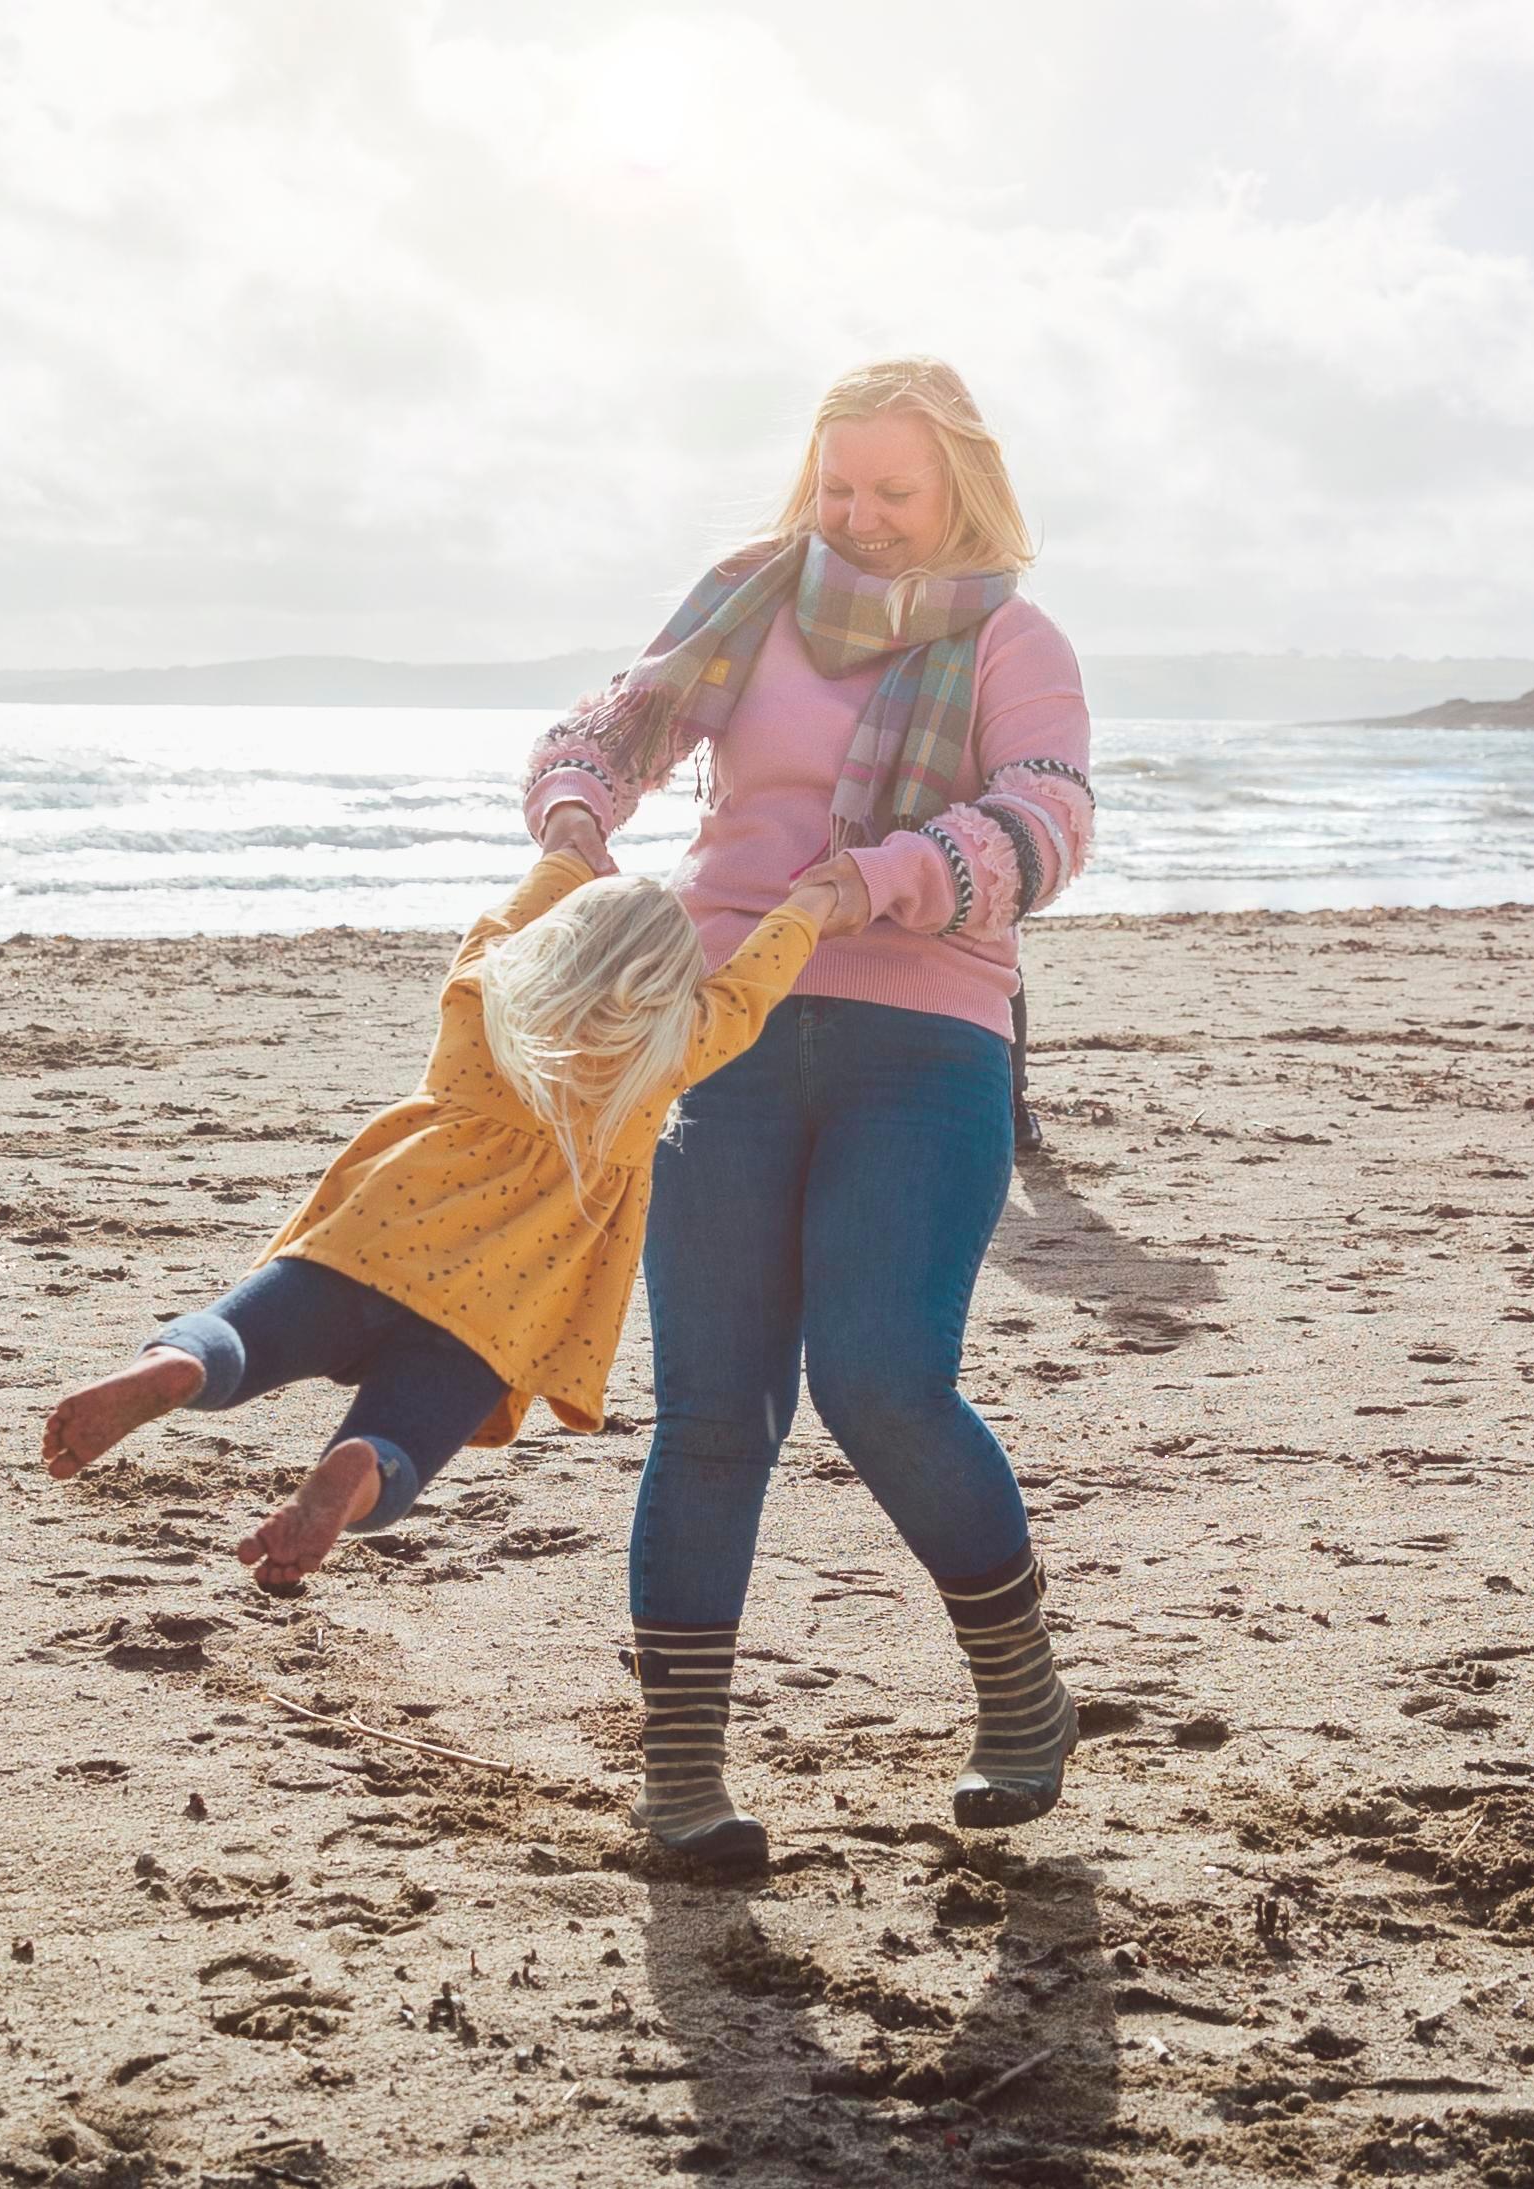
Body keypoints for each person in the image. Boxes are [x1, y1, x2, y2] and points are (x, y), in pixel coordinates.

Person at [522, 356, 1096, 1872]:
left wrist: (884, 873)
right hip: (722, 1031)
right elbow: (616, 725)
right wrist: (576, 807)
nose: (859, 516)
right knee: (714, 1410)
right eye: (839, 487)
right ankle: (683, 1785)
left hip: (928, 1043)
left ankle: (1024, 1697)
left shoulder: (1013, 642)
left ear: (956, 489)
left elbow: (1050, 819)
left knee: (882, 1376)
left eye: (891, 493)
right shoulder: (743, 598)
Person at [39, 851, 869, 1594]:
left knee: (237, 1334)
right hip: (494, 1317)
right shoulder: (671, 1052)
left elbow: (503, 919)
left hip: (370, 1243)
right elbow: (754, 985)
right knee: (399, 1443)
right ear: (672, 987)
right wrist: (812, 907)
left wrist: (567, 857)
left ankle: (177, 1366)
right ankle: (354, 1465)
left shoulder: (482, 992)